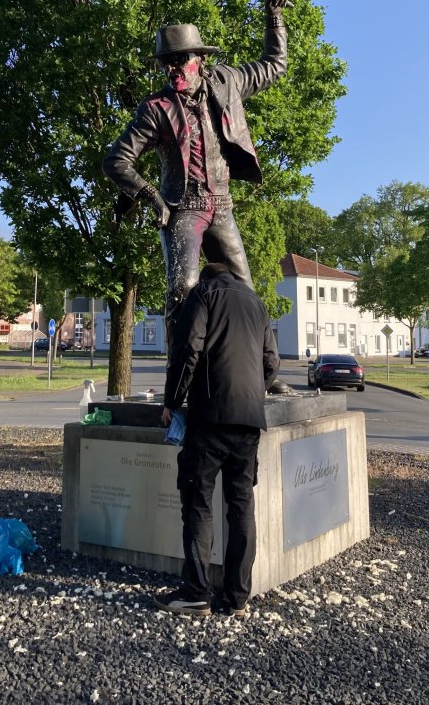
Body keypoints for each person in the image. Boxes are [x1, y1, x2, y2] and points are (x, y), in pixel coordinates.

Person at [103, 0, 288, 353]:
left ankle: (264, 375)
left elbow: (275, 65)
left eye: (180, 59)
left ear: (199, 59)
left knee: (246, 294)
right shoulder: (155, 108)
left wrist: (274, 15)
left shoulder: (228, 81)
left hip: (221, 205)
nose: (173, 69)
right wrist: (153, 198)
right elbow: (115, 160)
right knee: (182, 291)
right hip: (181, 210)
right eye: (166, 62)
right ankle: (179, 380)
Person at [154, 263, 279, 617]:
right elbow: (272, 362)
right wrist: (256, 393)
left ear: (206, 277)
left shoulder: (202, 294)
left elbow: (187, 350)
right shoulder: (255, 302)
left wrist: (171, 402)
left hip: (209, 416)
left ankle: (196, 592)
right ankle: (238, 597)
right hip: (250, 422)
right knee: (241, 506)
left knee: (198, 501)